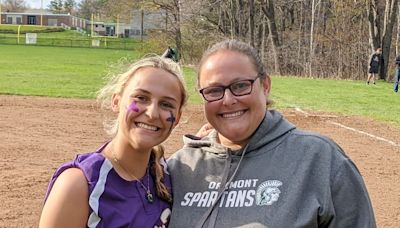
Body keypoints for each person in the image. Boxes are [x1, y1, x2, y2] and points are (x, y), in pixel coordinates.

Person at [167, 40, 376, 227]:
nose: (228, 100)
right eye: (214, 90)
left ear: (265, 85)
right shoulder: (180, 168)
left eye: (241, 86)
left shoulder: (319, 159)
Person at [39, 56, 187, 227]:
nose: (152, 113)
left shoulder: (169, 177)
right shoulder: (78, 185)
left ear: (177, 118)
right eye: (141, 98)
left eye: (166, 104)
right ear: (116, 102)